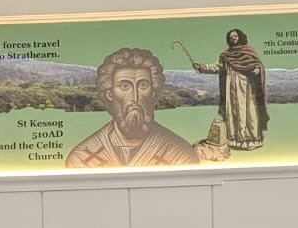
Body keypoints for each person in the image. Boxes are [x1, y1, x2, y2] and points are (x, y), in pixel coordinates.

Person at [65, 47, 200, 168]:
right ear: (110, 94)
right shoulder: (81, 158)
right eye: (124, 86)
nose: (134, 97)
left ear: (152, 93)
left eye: (143, 86)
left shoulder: (181, 156)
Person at [193, 28, 269, 150]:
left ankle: (250, 140)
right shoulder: (225, 55)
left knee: (248, 111)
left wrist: (257, 69)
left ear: (240, 37)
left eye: (235, 36)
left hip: (247, 88)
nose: (233, 38)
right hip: (231, 89)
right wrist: (202, 67)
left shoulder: (249, 52)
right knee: (233, 112)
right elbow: (217, 67)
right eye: (230, 37)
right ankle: (236, 140)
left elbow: (258, 65)